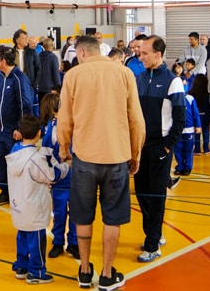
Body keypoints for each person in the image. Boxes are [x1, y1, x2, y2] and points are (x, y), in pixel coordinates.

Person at [57, 35, 145, 290]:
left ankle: (85, 271)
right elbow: (136, 119)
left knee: (83, 216)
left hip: (84, 158)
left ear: (81, 53)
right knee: (112, 218)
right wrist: (135, 153)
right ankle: (107, 274)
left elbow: (64, 119)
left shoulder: (73, 75)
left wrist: (64, 148)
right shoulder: (124, 73)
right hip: (116, 158)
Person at [134, 35, 185, 263]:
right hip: (140, 147)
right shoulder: (140, 79)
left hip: (159, 147)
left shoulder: (173, 82)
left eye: (145, 53)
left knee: (156, 195)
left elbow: (180, 120)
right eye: (140, 52)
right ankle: (155, 232)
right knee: (142, 192)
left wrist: (166, 147)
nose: (141, 57)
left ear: (158, 54)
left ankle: (152, 244)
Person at [6, 114, 69, 284]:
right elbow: (51, 176)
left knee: (22, 236)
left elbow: (34, 154)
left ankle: (21, 266)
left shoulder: (15, 151)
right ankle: (37, 271)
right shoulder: (35, 159)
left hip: (19, 205)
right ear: (39, 133)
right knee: (36, 241)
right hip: (33, 207)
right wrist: (66, 166)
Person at [0, 45, 33, 204]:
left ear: (3, 61)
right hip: (1, 130)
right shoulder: (1, 77)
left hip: (13, 131)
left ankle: (18, 193)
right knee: (0, 162)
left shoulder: (19, 79)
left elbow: (25, 105)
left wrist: (21, 128)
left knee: (15, 164)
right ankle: (5, 191)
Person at [40, 91, 78, 260]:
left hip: (76, 178)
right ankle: (58, 242)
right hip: (59, 180)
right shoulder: (51, 129)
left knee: (76, 213)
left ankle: (74, 243)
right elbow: (46, 154)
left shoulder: (76, 124)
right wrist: (49, 175)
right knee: (59, 213)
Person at [173, 84, 201, 176]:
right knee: (178, 149)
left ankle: (188, 167)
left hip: (189, 129)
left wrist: (198, 125)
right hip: (177, 129)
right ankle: (180, 166)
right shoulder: (173, 98)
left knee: (188, 149)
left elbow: (195, 113)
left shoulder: (190, 98)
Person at [190, 74, 210, 155]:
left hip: (196, 116)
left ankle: (197, 149)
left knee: (196, 132)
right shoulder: (208, 93)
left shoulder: (191, 94)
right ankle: (206, 148)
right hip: (206, 115)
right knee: (206, 131)